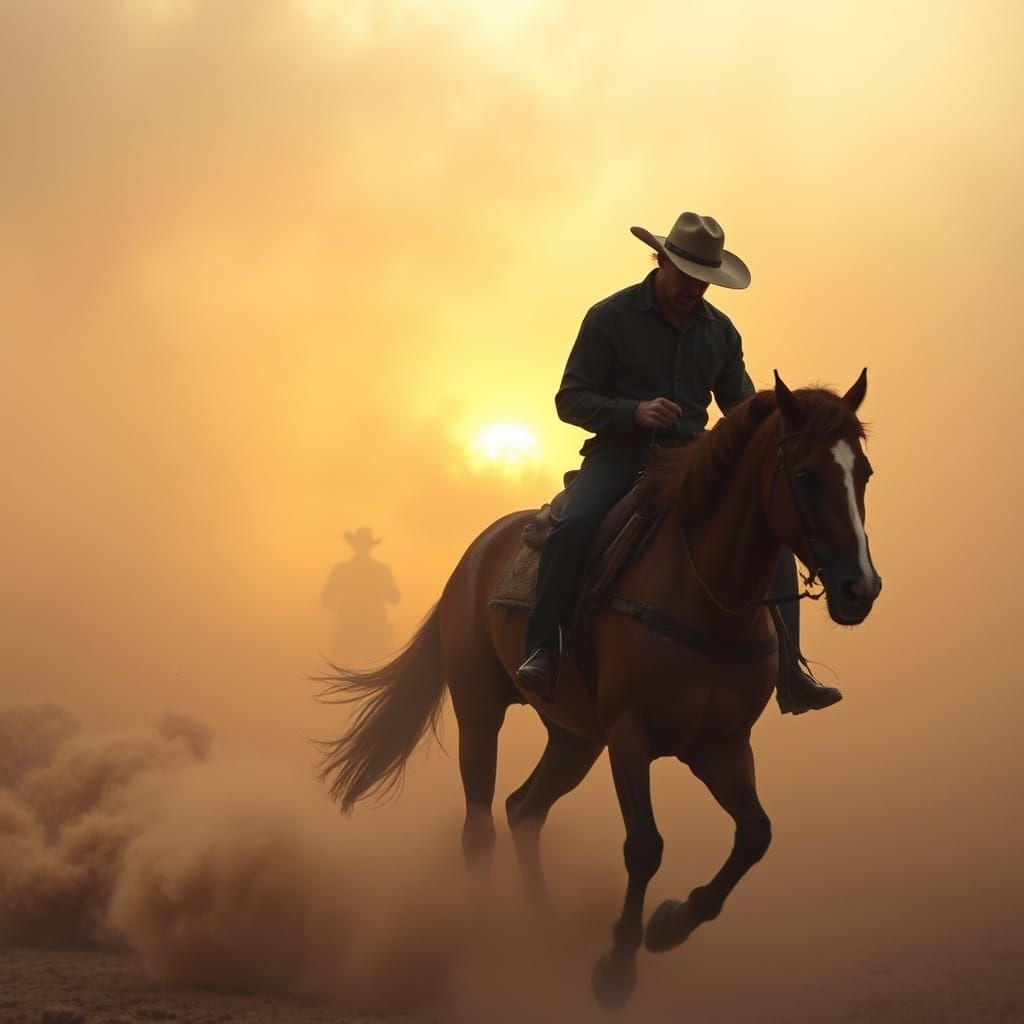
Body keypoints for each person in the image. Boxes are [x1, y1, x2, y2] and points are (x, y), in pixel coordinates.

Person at [516, 211, 842, 714]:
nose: (696, 289)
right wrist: (634, 412)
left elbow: (740, 405)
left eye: (706, 281)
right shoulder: (610, 316)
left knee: (769, 533)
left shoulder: (720, 332)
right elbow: (571, 399)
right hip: (618, 457)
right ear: (661, 260)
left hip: (693, 459)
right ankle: (543, 649)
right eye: (689, 276)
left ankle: (790, 669)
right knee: (574, 525)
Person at [321, 526, 400, 665]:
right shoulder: (381, 570)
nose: (363, 548)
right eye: (361, 544)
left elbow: (327, 601)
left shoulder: (342, 570)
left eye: (364, 545)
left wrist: (342, 604)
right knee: (373, 668)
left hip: (351, 629)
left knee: (348, 668)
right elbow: (395, 598)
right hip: (369, 629)